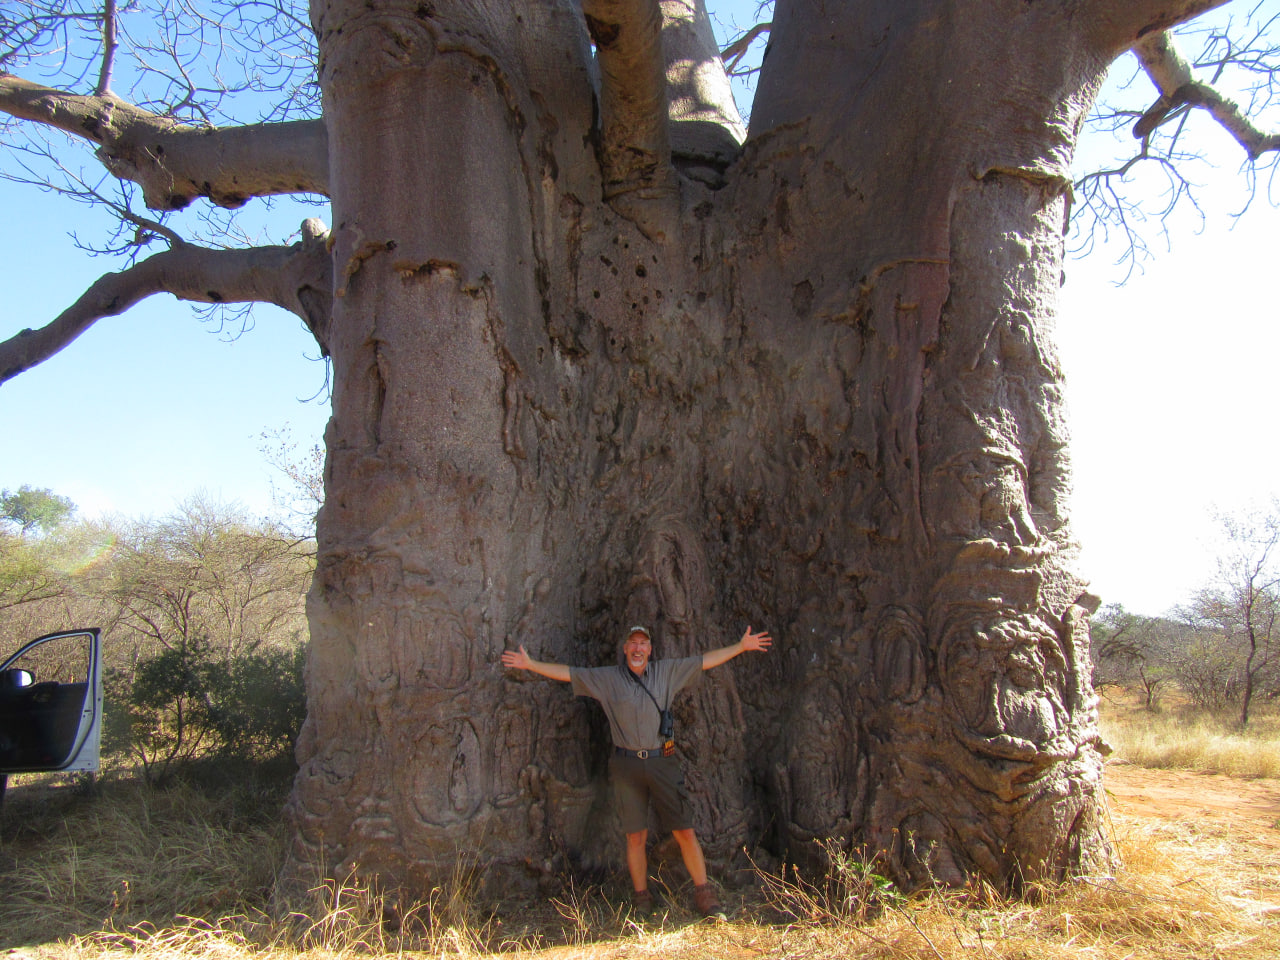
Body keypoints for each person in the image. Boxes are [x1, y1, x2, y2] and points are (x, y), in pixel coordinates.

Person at [501, 624, 772, 918]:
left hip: (662, 761)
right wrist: (530, 665)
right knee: (635, 836)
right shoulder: (608, 679)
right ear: (625, 649)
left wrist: (740, 646)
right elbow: (569, 673)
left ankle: (704, 893)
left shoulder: (666, 673)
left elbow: (704, 661)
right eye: (633, 643)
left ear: (650, 650)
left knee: (684, 830)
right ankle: (641, 897)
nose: (638, 648)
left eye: (643, 643)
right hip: (626, 765)